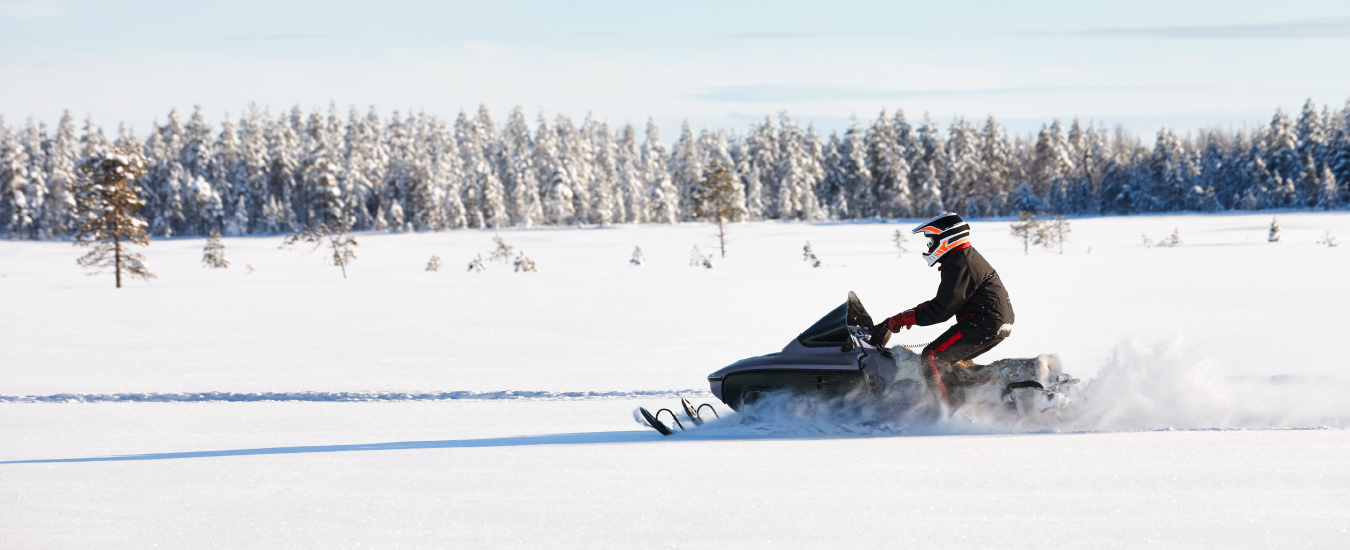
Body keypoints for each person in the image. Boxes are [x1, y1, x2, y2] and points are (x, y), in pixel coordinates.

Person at [870, 212, 1015, 410]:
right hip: (992, 322)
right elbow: (946, 301)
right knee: (954, 363)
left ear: (947, 238)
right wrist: (907, 316)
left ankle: (950, 410)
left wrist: (904, 319)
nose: (929, 247)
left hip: (983, 322)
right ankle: (976, 405)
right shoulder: (962, 258)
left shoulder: (960, 262)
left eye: (932, 241)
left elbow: (941, 310)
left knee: (933, 357)